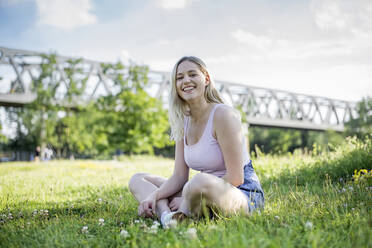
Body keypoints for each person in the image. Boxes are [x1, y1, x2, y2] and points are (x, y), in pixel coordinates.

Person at [128, 56, 264, 228]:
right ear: (176, 86)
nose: (186, 81)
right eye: (180, 77)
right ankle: (168, 217)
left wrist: (186, 196)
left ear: (206, 79)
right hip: (199, 191)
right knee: (138, 179)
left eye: (192, 74)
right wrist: (153, 196)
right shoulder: (182, 120)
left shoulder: (223, 115)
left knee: (198, 182)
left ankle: (183, 210)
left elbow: (236, 177)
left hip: (242, 194)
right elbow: (179, 176)